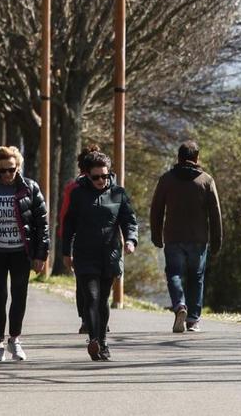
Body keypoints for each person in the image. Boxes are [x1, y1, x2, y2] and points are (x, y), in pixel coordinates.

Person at [0, 146, 48, 362]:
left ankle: (15, 339)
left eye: (11, 170)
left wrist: (40, 255)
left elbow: (42, 224)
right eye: (2, 170)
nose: (7, 174)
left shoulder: (30, 188)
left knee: (19, 296)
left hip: (20, 253)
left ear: (18, 168)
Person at [62, 151, 138, 361]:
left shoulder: (118, 194)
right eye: (95, 177)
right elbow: (68, 225)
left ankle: (103, 342)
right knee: (91, 297)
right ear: (87, 176)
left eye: (104, 176)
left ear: (109, 174)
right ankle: (94, 340)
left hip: (110, 254)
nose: (100, 180)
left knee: (103, 299)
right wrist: (65, 252)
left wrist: (131, 240)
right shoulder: (78, 195)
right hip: (85, 255)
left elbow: (129, 220)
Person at [150, 141, 222, 333]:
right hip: (198, 239)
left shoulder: (166, 179)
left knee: (173, 273)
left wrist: (156, 234)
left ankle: (180, 305)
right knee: (196, 277)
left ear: (178, 157)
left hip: (173, 236)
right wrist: (217, 241)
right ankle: (193, 320)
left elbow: (156, 209)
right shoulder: (206, 181)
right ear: (197, 158)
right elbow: (215, 214)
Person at [57, 144, 101, 335]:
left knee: (82, 281)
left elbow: (65, 215)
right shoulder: (104, 183)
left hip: (79, 239)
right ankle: (95, 316)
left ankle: (86, 317)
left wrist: (64, 238)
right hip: (101, 239)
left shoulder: (72, 186)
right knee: (101, 279)